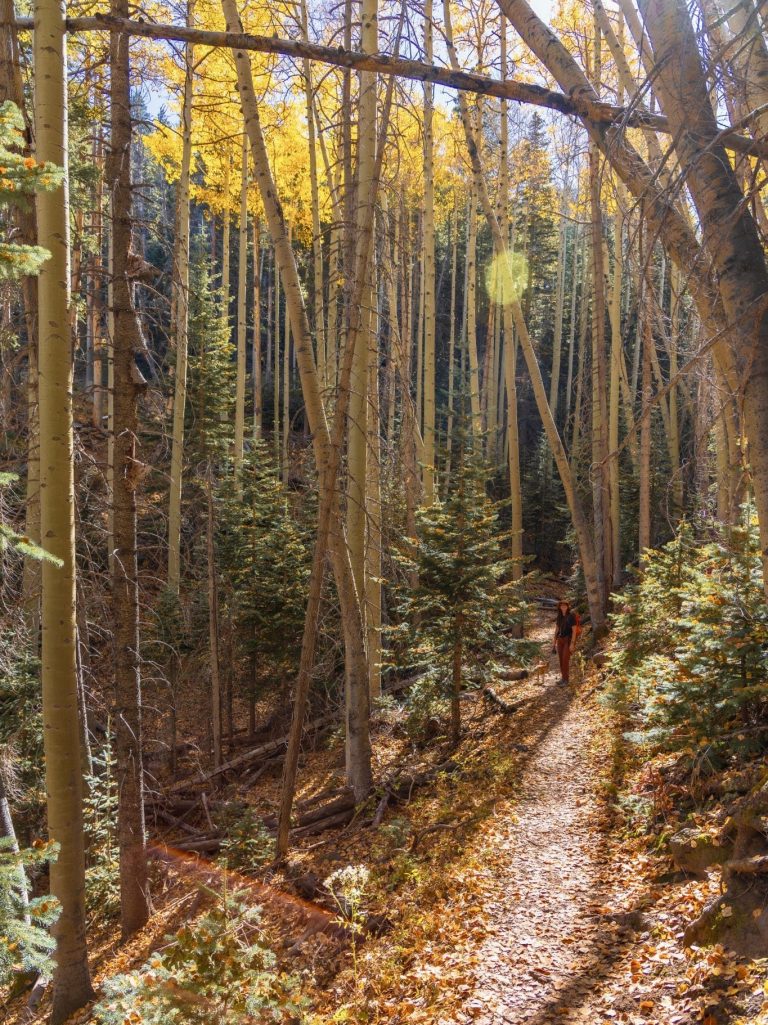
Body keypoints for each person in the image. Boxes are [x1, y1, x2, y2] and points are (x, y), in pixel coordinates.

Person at [552, 599, 579, 685]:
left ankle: (566, 680)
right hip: (560, 640)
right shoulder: (559, 616)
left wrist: (572, 644)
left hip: (568, 640)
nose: (563, 607)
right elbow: (556, 630)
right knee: (561, 660)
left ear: (568, 607)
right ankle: (563, 678)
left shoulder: (571, 616)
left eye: (565, 605)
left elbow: (574, 631)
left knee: (565, 660)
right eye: (561, 606)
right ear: (559, 607)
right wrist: (554, 642)